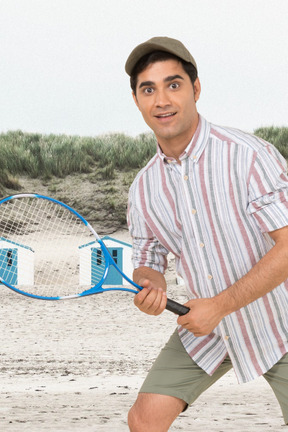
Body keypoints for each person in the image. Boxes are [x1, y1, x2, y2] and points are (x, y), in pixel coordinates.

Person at [124, 36, 288, 431]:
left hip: (279, 321)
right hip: (207, 329)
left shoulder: (249, 155)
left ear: (196, 89)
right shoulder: (143, 188)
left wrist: (219, 305)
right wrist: (150, 286)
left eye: (173, 84)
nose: (161, 100)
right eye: (149, 89)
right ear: (137, 100)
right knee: (144, 421)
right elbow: (148, 260)